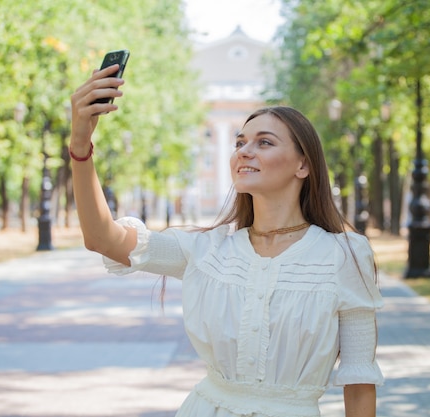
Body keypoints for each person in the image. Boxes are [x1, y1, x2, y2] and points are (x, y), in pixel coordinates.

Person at [69, 63, 384, 417]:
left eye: (264, 142)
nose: (243, 152)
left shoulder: (345, 255)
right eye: (240, 142)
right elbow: (101, 238)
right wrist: (81, 146)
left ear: (303, 166)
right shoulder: (206, 250)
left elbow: (359, 384)